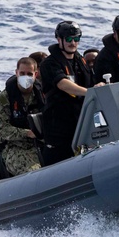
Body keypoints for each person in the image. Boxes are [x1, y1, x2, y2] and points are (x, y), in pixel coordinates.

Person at [38, 20, 97, 166]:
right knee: (58, 161)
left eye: (76, 39)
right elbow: (63, 84)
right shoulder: (49, 63)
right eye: (69, 39)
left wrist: (99, 88)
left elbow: (90, 81)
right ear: (59, 40)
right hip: (58, 123)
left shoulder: (80, 61)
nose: (73, 43)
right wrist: (90, 93)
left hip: (79, 119)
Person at [0, 57, 45, 176]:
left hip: (40, 143)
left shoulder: (42, 94)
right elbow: (2, 129)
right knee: (33, 171)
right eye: (22, 73)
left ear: (35, 74)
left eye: (29, 74)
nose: (25, 77)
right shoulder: (4, 99)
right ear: (16, 73)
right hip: (13, 146)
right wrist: (27, 133)